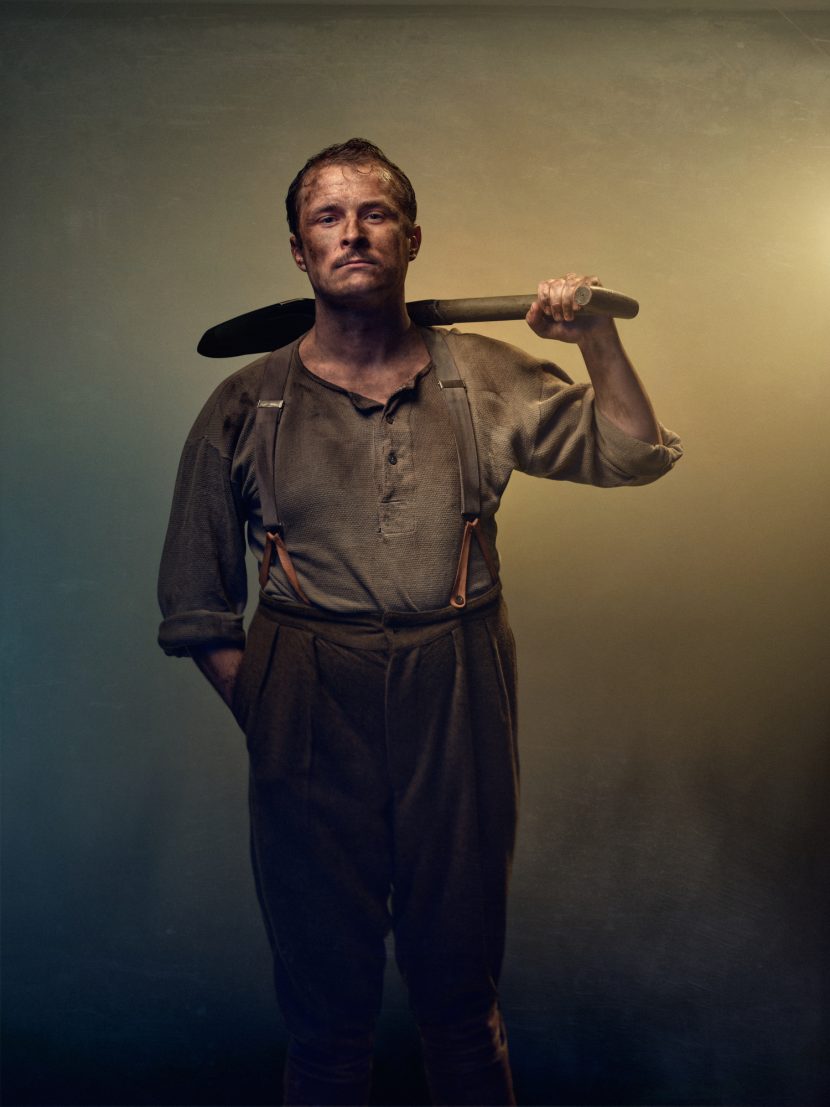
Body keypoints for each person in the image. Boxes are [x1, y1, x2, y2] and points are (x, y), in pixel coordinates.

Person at [157, 138, 682, 1106]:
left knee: (460, 995)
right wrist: (279, 710)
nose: (352, 233)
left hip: (458, 692)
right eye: (328, 216)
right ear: (297, 249)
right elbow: (195, 604)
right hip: (308, 695)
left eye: (374, 214)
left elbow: (631, 453)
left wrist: (593, 339)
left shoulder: (480, 375)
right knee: (324, 1012)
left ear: (410, 238)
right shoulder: (246, 402)